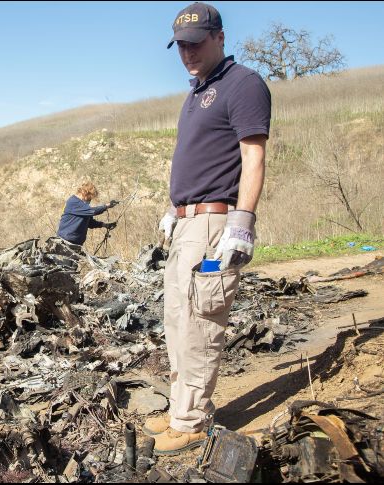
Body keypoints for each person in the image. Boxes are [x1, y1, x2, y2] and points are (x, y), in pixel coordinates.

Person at [144, 2, 271, 455]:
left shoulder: (243, 85)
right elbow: (197, 159)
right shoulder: (197, 92)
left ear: (219, 36)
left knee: (201, 321)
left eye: (196, 43)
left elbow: (252, 156)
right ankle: (182, 408)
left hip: (217, 224)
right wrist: (173, 208)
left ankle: (192, 421)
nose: (188, 52)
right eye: (181, 45)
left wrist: (243, 221)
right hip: (185, 224)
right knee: (178, 322)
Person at [56, 182, 118, 247]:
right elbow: (93, 211)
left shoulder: (83, 206)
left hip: (76, 244)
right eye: (89, 198)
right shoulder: (73, 202)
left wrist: (104, 225)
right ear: (84, 192)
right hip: (65, 242)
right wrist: (107, 206)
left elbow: (90, 223)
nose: (90, 200)